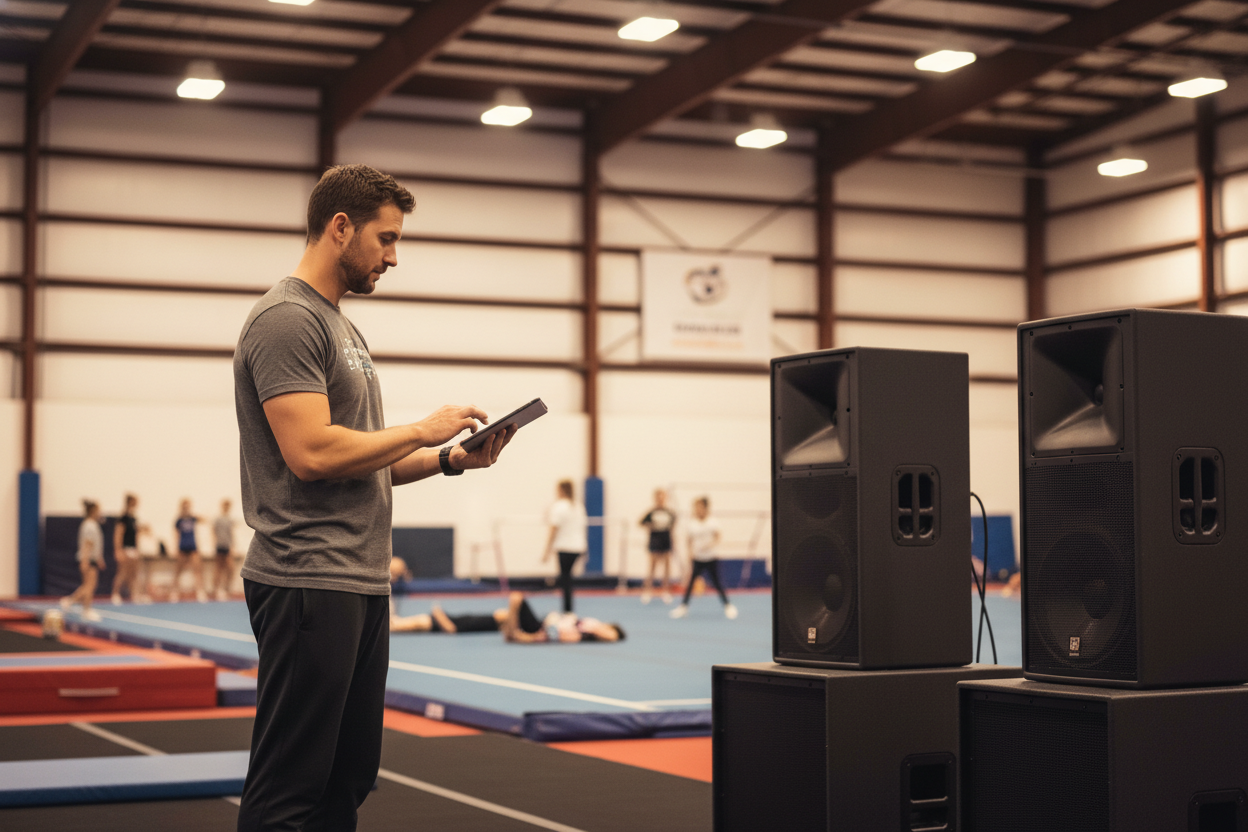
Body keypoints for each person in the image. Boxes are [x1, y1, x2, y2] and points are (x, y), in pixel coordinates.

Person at [233, 163, 514, 832]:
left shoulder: (340, 327)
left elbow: (362, 460)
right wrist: (422, 428)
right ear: (340, 228)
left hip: (358, 580)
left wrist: (449, 458)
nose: (393, 257)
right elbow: (311, 455)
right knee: (291, 787)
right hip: (307, 577)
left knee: (347, 776)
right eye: (385, 239)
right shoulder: (287, 320)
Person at [670, 496, 738, 620]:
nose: (698, 510)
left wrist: (709, 545)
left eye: (700, 507)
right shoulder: (692, 523)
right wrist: (689, 555)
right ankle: (683, 607)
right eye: (696, 507)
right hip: (698, 558)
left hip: (711, 557)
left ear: (706, 508)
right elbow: (689, 540)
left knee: (717, 583)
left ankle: (728, 606)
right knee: (691, 583)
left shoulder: (713, 522)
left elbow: (718, 537)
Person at [499, 592, 625, 643]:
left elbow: (612, 636)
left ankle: (513, 632)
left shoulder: (585, 633)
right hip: (544, 623)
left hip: (539, 628)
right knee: (513, 600)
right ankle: (512, 631)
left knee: (516, 598)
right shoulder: (587, 626)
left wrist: (532, 638)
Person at [543, 479, 587, 613]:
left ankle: (567, 611)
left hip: (565, 547)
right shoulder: (578, 506)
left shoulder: (559, 506)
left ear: (561, 490)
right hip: (578, 547)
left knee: (565, 579)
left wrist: (547, 549)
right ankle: (567, 609)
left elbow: (553, 529)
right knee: (567, 578)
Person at [60, 500, 104, 622]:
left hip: (91, 558)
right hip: (88, 558)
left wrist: (99, 558)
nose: (100, 513)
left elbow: (95, 544)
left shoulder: (91, 524)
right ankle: (85, 609)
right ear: (93, 511)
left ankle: (71, 601)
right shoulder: (90, 525)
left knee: (88, 585)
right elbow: (87, 543)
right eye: (98, 510)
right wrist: (85, 560)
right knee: (89, 585)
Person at [639, 488, 676, 605]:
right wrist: (650, 526)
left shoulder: (669, 513)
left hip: (665, 541)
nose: (660, 499)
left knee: (666, 568)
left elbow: (672, 527)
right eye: (658, 497)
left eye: (662, 497)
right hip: (655, 541)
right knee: (652, 567)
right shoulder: (652, 512)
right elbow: (641, 522)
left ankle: (666, 591)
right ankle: (647, 591)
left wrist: (673, 542)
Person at [111, 493, 145, 605]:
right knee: (122, 572)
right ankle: (115, 593)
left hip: (133, 548)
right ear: (130, 502)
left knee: (133, 574)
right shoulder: (123, 518)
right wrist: (118, 550)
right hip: (125, 548)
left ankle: (134, 594)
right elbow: (118, 534)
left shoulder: (133, 518)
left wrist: (138, 549)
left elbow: (136, 535)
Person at [391, 603, 508, 634]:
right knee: (394, 623)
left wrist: (438, 614)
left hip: (430, 623)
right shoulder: (486, 621)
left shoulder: (480, 624)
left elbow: (451, 629)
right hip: (431, 621)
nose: (502, 611)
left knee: (392, 626)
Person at [170, 498, 204, 602]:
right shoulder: (179, 520)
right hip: (182, 547)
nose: (186, 508)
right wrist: (175, 548)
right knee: (178, 571)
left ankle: (200, 591)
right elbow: (176, 534)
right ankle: (174, 591)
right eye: (184, 506)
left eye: (188, 506)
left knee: (197, 570)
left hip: (192, 546)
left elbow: (203, 519)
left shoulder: (193, 518)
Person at [212, 498, 238, 600]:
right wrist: (214, 543)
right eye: (225, 506)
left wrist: (233, 546)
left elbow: (231, 534)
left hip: (227, 546)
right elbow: (213, 532)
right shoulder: (218, 519)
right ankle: (216, 589)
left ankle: (226, 588)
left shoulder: (230, 520)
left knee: (231, 569)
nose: (226, 508)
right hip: (220, 545)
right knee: (219, 568)